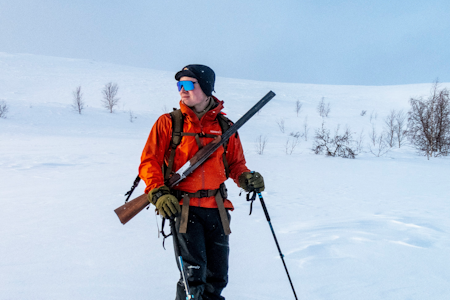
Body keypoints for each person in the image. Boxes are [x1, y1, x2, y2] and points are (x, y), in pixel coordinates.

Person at [138, 64, 265, 300]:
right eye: (179, 85)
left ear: (206, 87)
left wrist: (246, 178)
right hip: (185, 210)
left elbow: (236, 165)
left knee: (217, 278)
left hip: (217, 210)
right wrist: (158, 192)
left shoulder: (225, 127)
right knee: (192, 280)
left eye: (188, 84)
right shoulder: (169, 123)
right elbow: (150, 162)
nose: (182, 90)